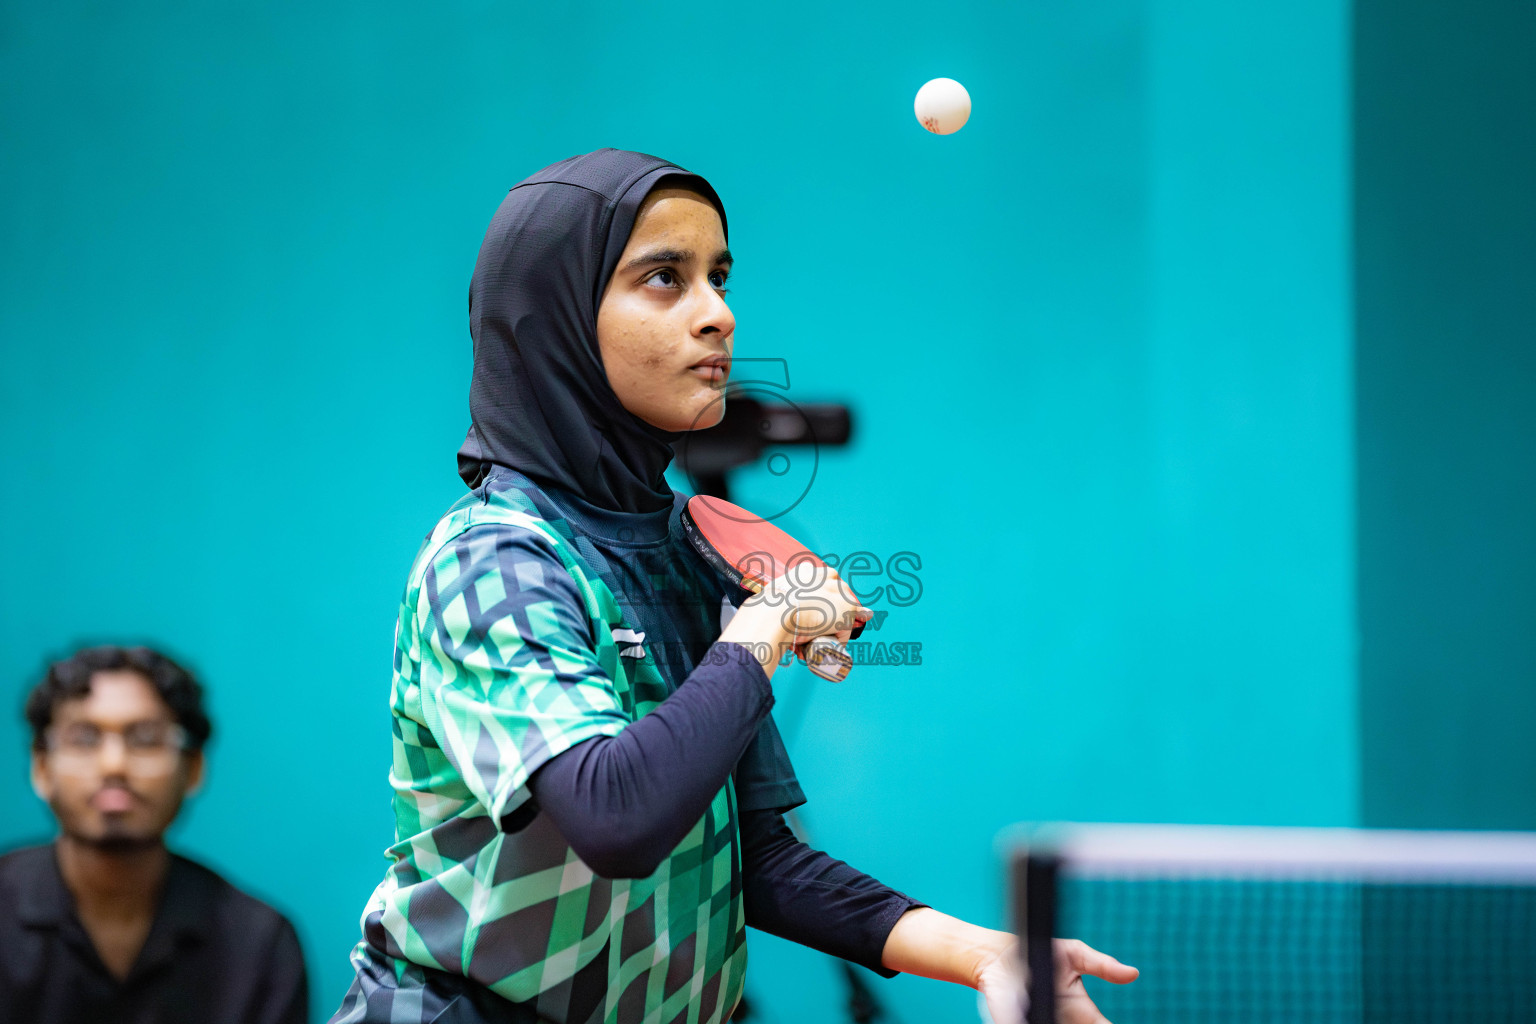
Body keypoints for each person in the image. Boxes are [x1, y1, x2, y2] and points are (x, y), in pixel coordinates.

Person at [330, 148, 1136, 1024]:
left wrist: (983, 957)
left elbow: (758, 856)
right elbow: (615, 816)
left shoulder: (684, 550)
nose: (719, 314)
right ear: (556, 318)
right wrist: (770, 623)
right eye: (664, 278)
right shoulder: (493, 561)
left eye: (718, 277)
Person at [0, 644, 309, 1024]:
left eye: (145, 739)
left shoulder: (258, 944)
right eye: (84, 738)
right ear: (41, 767)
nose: (114, 765)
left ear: (193, 767)